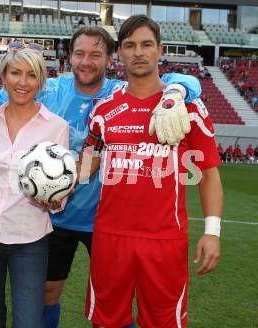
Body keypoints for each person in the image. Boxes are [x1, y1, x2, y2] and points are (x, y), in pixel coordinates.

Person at [0, 26, 202, 328]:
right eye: (79, 54)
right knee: (48, 293)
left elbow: (171, 79)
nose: (86, 61)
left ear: (111, 58)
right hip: (55, 219)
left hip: (102, 219)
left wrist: (177, 90)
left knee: (114, 303)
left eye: (96, 55)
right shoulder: (52, 89)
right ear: (69, 57)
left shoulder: (120, 92)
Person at [80, 15, 223, 328]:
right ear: (119, 54)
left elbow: (209, 173)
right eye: (130, 45)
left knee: (163, 324)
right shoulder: (104, 108)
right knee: (106, 322)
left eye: (146, 45)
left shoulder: (188, 107)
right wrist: (57, 185)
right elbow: (88, 160)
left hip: (164, 240)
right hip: (110, 237)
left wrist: (212, 232)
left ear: (160, 50)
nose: (138, 52)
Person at [0, 44, 69, 328]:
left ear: (41, 82)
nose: (23, 82)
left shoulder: (56, 127)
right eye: (15, 73)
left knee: (29, 322)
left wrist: (54, 199)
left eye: (31, 75)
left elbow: (60, 190)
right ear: (3, 76)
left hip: (29, 240)